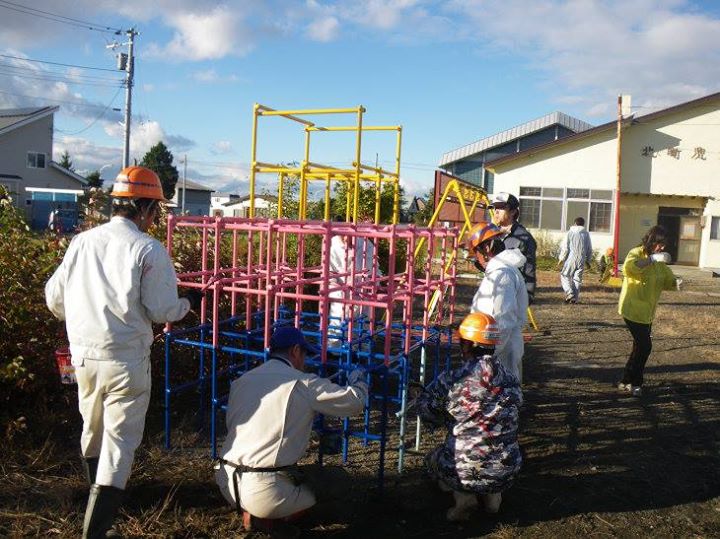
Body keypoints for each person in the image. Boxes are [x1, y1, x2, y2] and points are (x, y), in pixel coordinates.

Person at [45, 166, 201, 539]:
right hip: (125, 362)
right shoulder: (147, 248)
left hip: (83, 358)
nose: (155, 217)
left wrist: (85, 317)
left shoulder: (81, 243)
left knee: (93, 430)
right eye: (155, 210)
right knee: (119, 443)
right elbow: (161, 310)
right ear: (145, 208)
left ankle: (95, 509)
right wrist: (188, 303)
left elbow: (54, 299)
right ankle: (96, 531)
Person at [215, 326, 368, 535]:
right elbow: (354, 403)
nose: (304, 361)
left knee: (282, 473)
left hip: (227, 482)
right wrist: (359, 380)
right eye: (304, 354)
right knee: (338, 481)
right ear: (295, 351)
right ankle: (271, 519)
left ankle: (252, 510)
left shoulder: (243, 380)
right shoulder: (302, 382)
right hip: (265, 489)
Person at [407, 312, 523, 521]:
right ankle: (493, 499)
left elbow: (430, 414)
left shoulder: (453, 379)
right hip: (508, 469)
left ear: (466, 345)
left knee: (433, 460)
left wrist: (420, 398)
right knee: (492, 450)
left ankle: (463, 499)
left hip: (466, 469)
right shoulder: (511, 379)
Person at [617, 225, 681, 397]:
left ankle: (625, 380)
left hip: (647, 312)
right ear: (652, 240)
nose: (662, 248)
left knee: (639, 346)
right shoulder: (636, 253)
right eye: (659, 244)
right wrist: (652, 259)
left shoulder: (660, 263)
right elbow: (629, 268)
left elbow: (668, 279)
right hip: (632, 308)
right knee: (645, 346)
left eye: (664, 245)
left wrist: (677, 283)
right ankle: (636, 383)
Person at [468, 221, 529, 382]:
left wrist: (488, 353)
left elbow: (503, 318)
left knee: (501, 398)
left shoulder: (502, 274)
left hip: (500, 352)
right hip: (496, 348)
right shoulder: (500, 271)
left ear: (486, 248)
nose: (477, 260)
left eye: (477, 254)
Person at [327, 215, 380, 350]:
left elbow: (374, 267)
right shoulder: (331, 245)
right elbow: (328, 272)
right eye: (342, 235)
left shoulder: (365, 243)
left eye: (348, 233)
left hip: (361, 291)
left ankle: (361, 355)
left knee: (362, 325)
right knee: (338, 325)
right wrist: (337, 286)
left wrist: (370, 282)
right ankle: (335, 353)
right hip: (340, 292)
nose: (346, 238)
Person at [489, 192, 537, 304]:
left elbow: (529, 271)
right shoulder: (491, 234)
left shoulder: (524, 238)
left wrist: (526, 298)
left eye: (501, 208)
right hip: (492, 291)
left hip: (511, 296)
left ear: (513, 211)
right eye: (495, 208)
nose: (496, 211)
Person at [558, 216, 594, 303]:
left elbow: (565, 247)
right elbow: (589, 248)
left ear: (574, 223)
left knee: (564, 275)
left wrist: (561, 258)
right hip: (581, 259)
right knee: (577, 279)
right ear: (583, 224)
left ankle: (569, 293)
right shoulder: (586, 233)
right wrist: (588, 261)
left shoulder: (570, 232)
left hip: (572, 257)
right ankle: (575, 299)